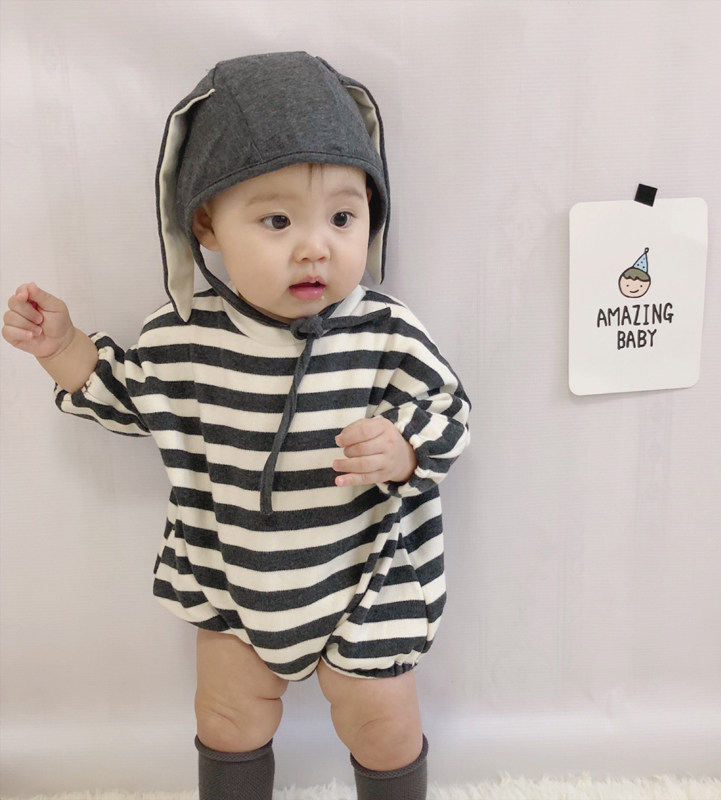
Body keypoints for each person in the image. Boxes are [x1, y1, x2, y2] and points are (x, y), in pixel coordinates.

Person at [2, 52, 469, 800]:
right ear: (206, 224)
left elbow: (450, 409)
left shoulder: (384, 332)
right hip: (231, 577)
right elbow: (128, 395)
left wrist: (406, 448)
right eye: (277, 220)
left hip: (367, 576)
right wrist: (62, 348)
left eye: (343, 217)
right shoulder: (186, 336)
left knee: (382, 723)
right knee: (225, 716)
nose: (315, 246)